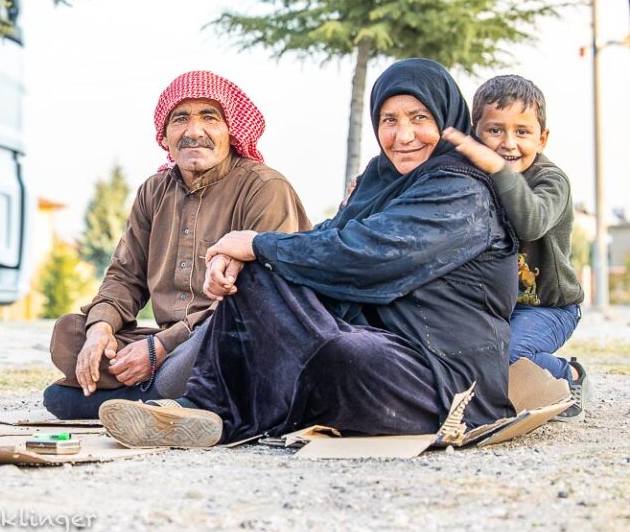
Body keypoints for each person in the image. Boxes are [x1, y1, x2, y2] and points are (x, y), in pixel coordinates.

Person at [98, 58, 519, 448]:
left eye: (419, 119)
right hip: (382, 347)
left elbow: (371, 254)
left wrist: (256, 242)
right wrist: (246, 254)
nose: (403, 135)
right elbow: (329, 237)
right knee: (259, 274)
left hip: (446, 377)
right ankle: (203, 409)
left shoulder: (462, 190)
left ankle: (234, 404)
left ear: (447, 122)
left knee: (340, 355)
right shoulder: (380, 178)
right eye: (389, 120)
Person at [43, 70, 310, 419]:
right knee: (70, 334)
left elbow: (261, 297)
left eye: (209, 118)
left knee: (205, 350)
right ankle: (172, 402)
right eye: (180, 119)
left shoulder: (264, 188)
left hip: (232, 335)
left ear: (231, 130)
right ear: (165, 134)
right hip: (173, 348)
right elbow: (124, 278)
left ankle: (155, 397)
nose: (193, 132)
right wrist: (101, 330)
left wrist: (161, 348)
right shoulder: (154, 192)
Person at [443, 75, 588, 421]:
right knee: (469, 354)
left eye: (522, 132)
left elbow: (532, 222)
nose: (508, 143)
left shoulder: (551, 180)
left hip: (550, 306)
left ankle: (570, 374)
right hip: (500, 306)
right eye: (495, 131)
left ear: (543, 138)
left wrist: (495, 168)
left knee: (508, 355)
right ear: (475, 133)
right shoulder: (472, 177)